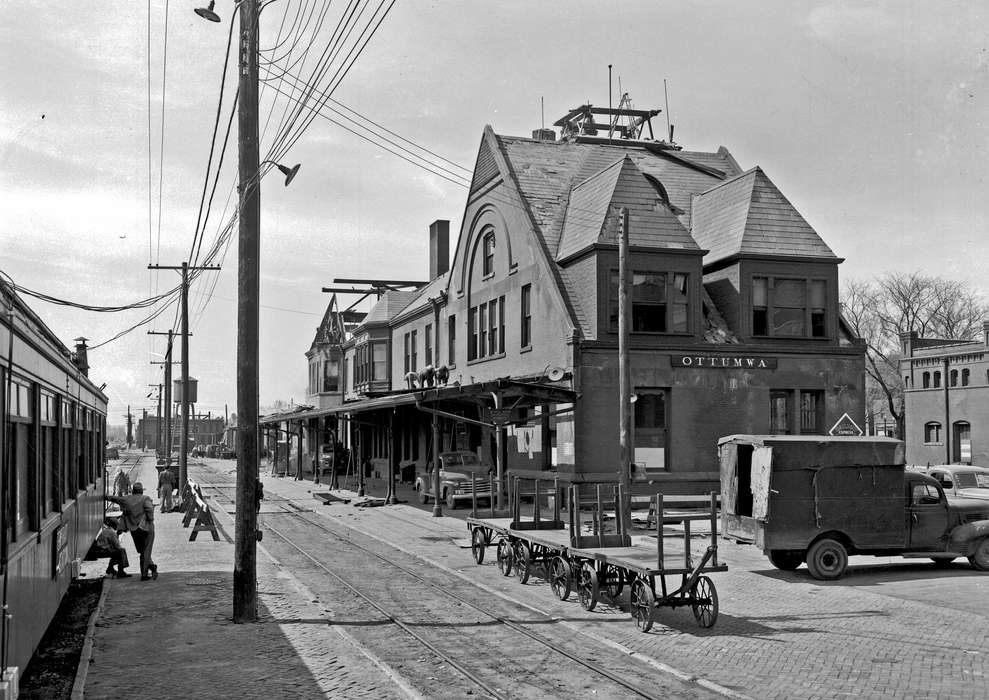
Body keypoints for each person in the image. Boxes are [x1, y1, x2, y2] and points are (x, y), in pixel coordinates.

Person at [107, 482, 158, 581]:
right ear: (142, 490)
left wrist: (105, 497)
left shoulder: (126, 499)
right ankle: (145, 573)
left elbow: (115, 499)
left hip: (133, 529)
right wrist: (150, 519)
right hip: (146, 528)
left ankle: (151, 568)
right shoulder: (145, 498)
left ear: (133, 490)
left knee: (142, 551)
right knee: (146, 551)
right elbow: (149, 509)